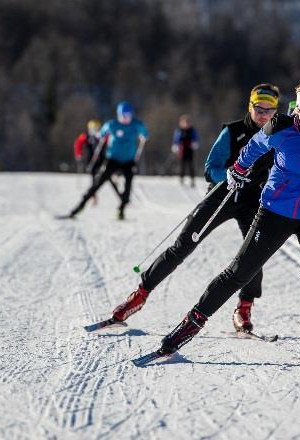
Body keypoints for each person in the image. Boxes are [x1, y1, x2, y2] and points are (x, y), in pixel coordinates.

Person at [157, 79, 300, 361]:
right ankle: (190, 325)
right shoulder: (279, 128)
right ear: (297, 112)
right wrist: (238, 169)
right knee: (240, 272)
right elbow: (253, 147)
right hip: (275, 211)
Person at [110, 83, 281, 333]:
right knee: (182, 247)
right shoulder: (233, 132)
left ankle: (244, 307)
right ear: (250, 106)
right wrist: (229, 175)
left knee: (253, 255)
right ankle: (141, 293)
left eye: (269, 110)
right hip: (221, 197)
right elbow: (210, 167)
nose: (263, 114)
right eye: (259, 108)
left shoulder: (278, 135)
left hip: (251, 202)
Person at [63, 101, 148, 220]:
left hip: (128, 161)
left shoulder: (136, 125)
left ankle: (121, 209)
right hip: (112, 159)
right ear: (119, 115)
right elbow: (101, 133)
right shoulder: (112, 124)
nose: (125, 119)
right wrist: (101, 135)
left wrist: (144, 136)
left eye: (128, 116)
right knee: (98, 182)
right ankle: (80, 206)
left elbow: (145, 133)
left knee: (128, 185)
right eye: (123, 116)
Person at [171, 114, 200, 187]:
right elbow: (176, 139)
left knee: (190, 164)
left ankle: (192, 179)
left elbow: (196, 138)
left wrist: (195, 144)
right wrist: (175, 146)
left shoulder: (192, 130)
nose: (186, 124)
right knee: (182, 165)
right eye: (184, 123)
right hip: (181, 150)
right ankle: (181, 178)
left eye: (187, 123)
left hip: (189, 149)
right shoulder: (179, 130)